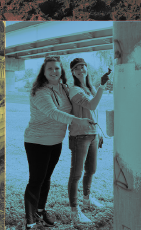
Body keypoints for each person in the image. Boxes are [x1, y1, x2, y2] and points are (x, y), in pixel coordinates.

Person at [24, 56, 94, 229]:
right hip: (37, 142)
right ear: (44, 72)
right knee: (36, 180)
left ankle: (40, 211)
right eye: (50, 69)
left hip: (56, 142)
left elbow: (82, 100)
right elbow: (54, 113)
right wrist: (79, 121)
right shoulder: (40, 91)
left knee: (46, 178)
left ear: (61, 71)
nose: (54, 71)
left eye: (57, 68)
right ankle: (30, 221)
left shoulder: (64, 88)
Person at [67, 58, 110, 224]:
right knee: (76, 174)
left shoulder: (88, 88)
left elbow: (93, 112)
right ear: (72, 72)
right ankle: (74, 211)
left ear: (86, 68)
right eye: (76, 68)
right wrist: (102, 86)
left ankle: (87, 198)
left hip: (92, 134)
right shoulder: (74, 90)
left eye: (83, 66)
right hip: (79, 135)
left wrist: (97, 133)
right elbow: (91, 105)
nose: (80, 70)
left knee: (91, 169)